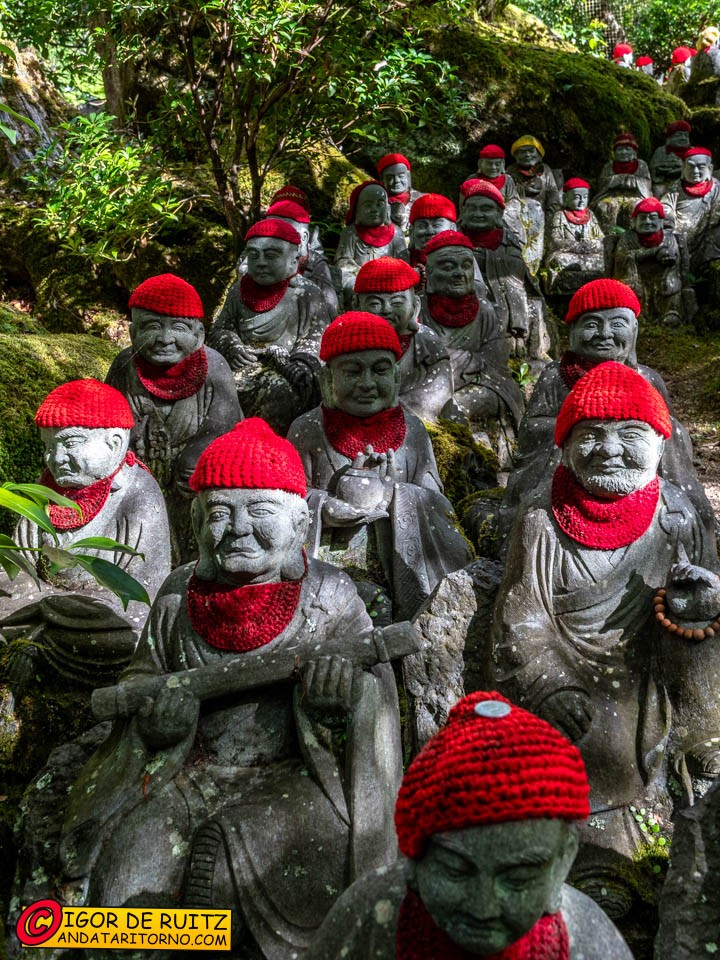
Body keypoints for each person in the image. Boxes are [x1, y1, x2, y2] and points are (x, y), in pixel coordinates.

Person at [50, 418, 405, 960]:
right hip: (187, 768)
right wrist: (157, 719)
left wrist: (338, 700)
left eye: (260, 512)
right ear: (195, 522)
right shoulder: (176, 595)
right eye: (219, 513)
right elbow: (142, 677)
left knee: (226, 855)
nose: (238, 528)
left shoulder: (329, 595)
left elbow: (372, 698)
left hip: (296, 774)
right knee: (126, 870)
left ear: (298, 521)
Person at [492, 362, 720, 903]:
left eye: (630, 434)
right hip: (571, 675)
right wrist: (550, 685)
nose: (609, 449)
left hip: (658, 671)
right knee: (586, 742)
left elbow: (701, 608)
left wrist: (700, 605)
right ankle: (599, 862)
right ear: (565, 448)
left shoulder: (676, 517)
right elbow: (522, 618)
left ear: (661, 445)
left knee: (701, 728)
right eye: (590, 435)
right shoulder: (541, 523)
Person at [310, 690, 633, 960]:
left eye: (519, 879)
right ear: (413, 861)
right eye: (455, 870)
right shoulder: (372, 912)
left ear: (563, 863)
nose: (483, 907)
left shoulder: (586, 938)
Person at [287, 311, 472, 621]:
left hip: (398, 559)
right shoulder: (307, 430)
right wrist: (323, 508)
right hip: (329, 565)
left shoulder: (412, 431)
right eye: (353, 371)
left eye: (380, 370)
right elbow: (284, 501)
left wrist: (395, 495)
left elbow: (439, 507)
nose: (368, 383)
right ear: (327, 379)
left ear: (397, 377)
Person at [500, 279, 714, 544]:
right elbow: (532, 427)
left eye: (617, 324)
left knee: (673, 434)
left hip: (634, 458)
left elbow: (666, 427)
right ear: (573, 332)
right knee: (565, 440)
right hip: (583, 457)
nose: (604, 333)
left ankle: (691, 516)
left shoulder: (647, 378)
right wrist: (576, 427)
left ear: (634, 331)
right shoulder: (557, 376)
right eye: (591, 324)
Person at [0, 379, 171, 686]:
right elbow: (12, 571)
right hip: (43, 613)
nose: (57, 458)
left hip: (102, 625)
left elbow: (143, 595)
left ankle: (38, 642)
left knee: (132, 641)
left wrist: (52, 604)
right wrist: (48, 602)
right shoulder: (43, 493)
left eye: (69, 443)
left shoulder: (139, 494)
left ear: (115, 443)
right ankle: (36, 639)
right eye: (49, 447)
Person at [105, 273, 241, 564]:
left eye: (178, 328)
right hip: (140, 473)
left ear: (199, 334)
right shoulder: (124, 365)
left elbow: (224, 423)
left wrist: (198, 453)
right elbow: (110, 421)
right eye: (152, 327)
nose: (165, 339)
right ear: (132, 333)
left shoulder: (214, 368)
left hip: (193, 480)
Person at [210, 219, 331, 432]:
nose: (261, 262)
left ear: (294, 259)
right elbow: (221, 328)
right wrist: (232, 346)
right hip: (242, 364)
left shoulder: (307, 294)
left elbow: (316, 338)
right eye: (254, 255)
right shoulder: (238, 290)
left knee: (282, 393)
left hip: (285, 369)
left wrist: (301, 364)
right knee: (213, 385)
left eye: (271, 255)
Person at [418, 229, 524, 463]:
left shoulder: (485, 311)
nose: (458, 273)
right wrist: (459, 361)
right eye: (448, 267)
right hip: (429, 387)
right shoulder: (419, 309)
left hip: (478, 386)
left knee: (459, 405)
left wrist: (452, 361)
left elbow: (495, 365)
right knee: (424, 402)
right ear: (431, 274)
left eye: (465, 266)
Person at [458, 181, 549, 361]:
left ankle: (517, 340)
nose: (478, 214)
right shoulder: (455, 238)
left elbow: (517, 275)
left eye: (486, 209)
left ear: (499, 213)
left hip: (508, 297)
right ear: (463, 211)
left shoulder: (509, 240)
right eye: (472, 208)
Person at [353, 256, 453, 421]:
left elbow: (441, 387)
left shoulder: (425, 340)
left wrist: (398, 408)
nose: (386, 310)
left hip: (414, 416)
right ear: (357, 305)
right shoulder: (349, 342)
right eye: (375, 304)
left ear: (415, 305)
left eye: (397, 303)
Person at [610, 196, 692, 326]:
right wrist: (651, 253)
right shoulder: (628, 237)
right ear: (634, 221)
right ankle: (634, 313)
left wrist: (668, 258)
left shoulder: (669, 237)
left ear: (661, 221)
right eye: (643, 218)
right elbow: (622, 259)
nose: (648, 222)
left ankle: (671, 312)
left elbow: (675, 258)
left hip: (662, 278)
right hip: (637, 279)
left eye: (652, 218)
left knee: (672, 282)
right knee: (628, 288)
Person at [334, 180, 408, 308]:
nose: (374, 210)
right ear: (357, 210)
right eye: (368, 205)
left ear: (387, 208)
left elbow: (404, 265)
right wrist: (362, 277)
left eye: (380, 204)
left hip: (389, 281)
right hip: (358, 281)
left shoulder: (396, 233)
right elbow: (342, 264)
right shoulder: (350, 233)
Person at [506, 134, 562, 275]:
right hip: (519, 219)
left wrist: (551, 216)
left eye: (531, 151)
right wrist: (521, 191)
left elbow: (553, 195)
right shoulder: (510, 172)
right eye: (522, 152)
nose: (527, 155)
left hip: (543, 218)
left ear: (539, 154)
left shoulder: (546, 171)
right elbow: (506, 196)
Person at [662, 146, 720, 273]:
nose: (695, 171)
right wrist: (669, 223)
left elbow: (717, 210)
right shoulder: (676, 187)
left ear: (710, 168)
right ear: (683, 168)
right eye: (691, 166)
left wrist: (711, 223)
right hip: (679, 233)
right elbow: (666, 206)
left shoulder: (716, 187)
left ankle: (709, 267)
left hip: (706, 232)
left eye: (701, 167)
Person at [544, 177, 605, 296]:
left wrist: (589, 245)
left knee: (604, 260)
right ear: (565, 198)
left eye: (585, 197)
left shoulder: (591, 216)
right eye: (577, 197)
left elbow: (601, 239)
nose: (582, 201)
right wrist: (577, 246)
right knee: (559, 260)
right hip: (569, 256)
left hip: (589, 255)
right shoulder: (560, 216)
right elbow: (554, 242)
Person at [594, 131, 652, 233]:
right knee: (605, 207)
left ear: (634, 152)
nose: (624, 152)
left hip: (635, 196)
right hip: (612, 196)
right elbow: (602, 183)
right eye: (620, 149)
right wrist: (615, 180)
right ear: (614, 153)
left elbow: (647, 183)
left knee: (635, 207)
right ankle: (607, 235)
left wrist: (633, 181)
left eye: (627, 149)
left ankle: (633, 236)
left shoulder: (641, 165)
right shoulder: (609, 166)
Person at [376, 152, 423, 234]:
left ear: (408, 176)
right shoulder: (375, 203)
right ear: (382, 179)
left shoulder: (424, 200)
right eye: (390, 177)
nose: (397, 181)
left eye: (401, 176)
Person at [650, 119, 692, 199]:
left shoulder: (693, 152)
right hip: (665, 183)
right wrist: (665, 172)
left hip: (687, 184)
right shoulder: (661, 151)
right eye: (679, 135)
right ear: (669, 138)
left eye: (686, 135)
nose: (683, 138)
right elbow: (654, 168)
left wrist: (681, 171)